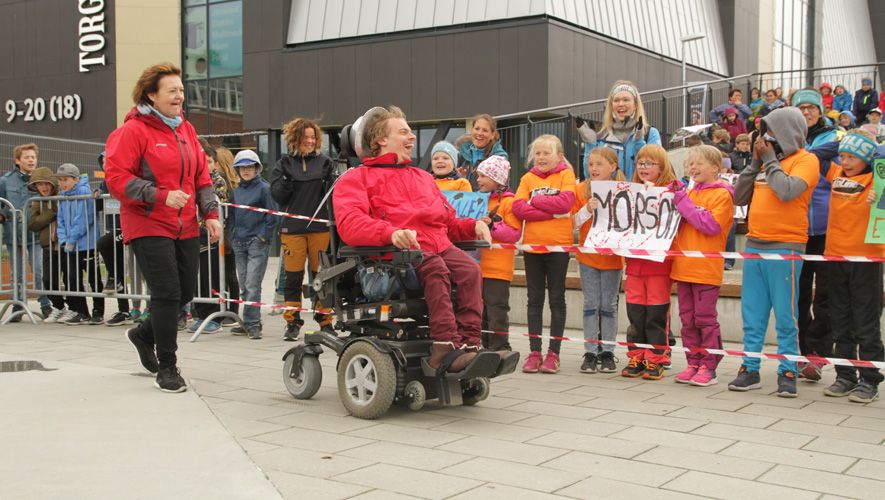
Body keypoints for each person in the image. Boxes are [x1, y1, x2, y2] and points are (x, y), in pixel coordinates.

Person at [333, 105, 494, 373]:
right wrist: (390, 233)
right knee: (435, 267)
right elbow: (351, 224)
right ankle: (444, 348)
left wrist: (473, 226)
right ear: (381, 139)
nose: (412, 137)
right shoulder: (356, 178)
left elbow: (447, 222)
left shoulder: (423, 177)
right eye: (403, 132)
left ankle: (470, 346)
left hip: (437, 246)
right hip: (393, 260)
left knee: (470, 270)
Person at [105, 62, 221, 393]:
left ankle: (143, 334)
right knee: (167, 293)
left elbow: (202, 177)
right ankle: (167, 367)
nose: (179, 95)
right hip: (147, 222)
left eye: (181, 90)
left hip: (185, 224)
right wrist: (160, 195)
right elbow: (117, 178)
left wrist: (211, 213)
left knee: (184, 292)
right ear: (151, 95)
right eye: (172, 90)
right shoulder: (132, 131)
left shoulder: (186, 129)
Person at [729, 107, 819, 398]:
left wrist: (769, 160)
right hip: (755, 244)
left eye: (770, 132)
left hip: (786, 247)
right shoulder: (765, 162)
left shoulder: (807, 160)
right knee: (752, 314)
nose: (765, 138)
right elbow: (739, 197)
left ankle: (787, 370)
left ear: (786, 133)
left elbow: (786, 191)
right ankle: (750, 368)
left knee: (785, 315)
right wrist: (755, 163)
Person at [818, 131, 883, 403]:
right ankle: (845, 375)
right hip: (835, 257)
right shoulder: (836, 173)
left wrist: (874, 151)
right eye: (842, 156)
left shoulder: (877, 178)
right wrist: (842, 141)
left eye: (852, 157)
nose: (844, 161)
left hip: (866, 260)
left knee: (865, 321)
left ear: (867, 158)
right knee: (840, 319)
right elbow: (815, 156)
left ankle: (870, 378)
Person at [670, 145, 734, 387]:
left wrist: (682, 202)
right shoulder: (689, 192)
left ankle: (709, 365)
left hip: (706, 269)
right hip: (683, 267)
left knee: (705, 319)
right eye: (690, 164)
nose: (692, 168)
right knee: (687, 320)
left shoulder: (722, 194)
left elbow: (710, 225)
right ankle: (693, 362)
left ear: (716, 168)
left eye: (699, 163)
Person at [512, 134, 576, 374]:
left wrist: (535, 200)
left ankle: (553, 353)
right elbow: (519, 208)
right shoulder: (527, 178)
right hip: (532, 247)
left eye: (546, 153)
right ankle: (535, 352)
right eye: (537, 153)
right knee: (534, 300)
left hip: (558, 247)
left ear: (559, 156)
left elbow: (566, 204)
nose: (541, 157)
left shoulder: (566, 175)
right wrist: (551, 211)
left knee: (557, 299)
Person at [269, 117, 336, 341]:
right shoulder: (283, 165)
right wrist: (287, 181)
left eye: (313, 137)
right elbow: (278, 196)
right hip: (293, 230)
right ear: (294, 139)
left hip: (320, 228)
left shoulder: (325, 163)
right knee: (293, 278)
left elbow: (333, 195)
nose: (310, 141)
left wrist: (331, 180)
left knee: (321, 276)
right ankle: (292, 322)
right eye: (305, 137)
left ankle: (325, 321)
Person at [791, 89, 838, 382]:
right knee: (797, 293)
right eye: (801, 108)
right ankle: (801, 351)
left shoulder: (834, 138)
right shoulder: (787, 139)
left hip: (826, 227)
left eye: (811, 107)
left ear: (820, 111)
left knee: (825, 294)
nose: (807, 112)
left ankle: (818, 353)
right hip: (795, 228)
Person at [620, 145, 677, 380]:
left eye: (650, 163)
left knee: (656, 314)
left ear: (662, 167)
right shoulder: (629, 191)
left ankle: (656, 358)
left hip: (658, 265)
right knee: (635, 313)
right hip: (635, 264)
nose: (644, 167)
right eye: (641, 163)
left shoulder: (672, 191)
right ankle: (637, 355)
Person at [572, 147, 625, 374]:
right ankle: (591, 351)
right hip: (588, 256)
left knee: (609, 305)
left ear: (612, 167)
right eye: (590, 164)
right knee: (590, 304)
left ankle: (608, 351)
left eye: (599, 164)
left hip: (612, 257)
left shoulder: (623, 190)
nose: (593, 168)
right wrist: (587, 209)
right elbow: (573, 222)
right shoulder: (581, 189)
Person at [0, 143, 53, 320]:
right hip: (14, 234)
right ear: (17, 160)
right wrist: (3, 214)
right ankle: (17, 305)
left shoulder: (41, 180)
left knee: (38, 270)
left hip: (35, 235)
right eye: (27, 157)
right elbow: (1, 204)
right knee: (17, 272)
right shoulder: (5, 181)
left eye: (33, 157)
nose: (31, 160)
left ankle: (45, 305)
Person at [229, 150, 277, 340]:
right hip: (239, 242)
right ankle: (249, 322)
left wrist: (263, 237)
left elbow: (272, 215)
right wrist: (232, 235)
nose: (246, 170)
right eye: (242, 167)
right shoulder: (236, 191)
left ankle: (254, 324)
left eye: (250, 166)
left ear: (257, 168)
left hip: (257, 243)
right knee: (244, 285)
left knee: (252, 284)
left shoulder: (265, 189)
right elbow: (232, 215)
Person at [475, 155, 521, 351]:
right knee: (481, 310)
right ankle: (485, 347)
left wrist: (492, 226)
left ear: (497, 178)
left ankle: (501, 347)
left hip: (498, 268)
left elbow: (514, 234)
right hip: (477, 266)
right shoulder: (478, 200)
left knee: (497, 310)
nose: (478, 180)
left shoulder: (509, 202)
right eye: (478, 175)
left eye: (483, 176)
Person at [187, 140, 232, 334]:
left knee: (212, 276)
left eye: (209, 162)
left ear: (215, 163)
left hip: (212, 235)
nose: (206, 165)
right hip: (194, 234)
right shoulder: (192, 180)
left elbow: (216, 203)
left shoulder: (218, 181)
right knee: (198, 277)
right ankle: (201, 314)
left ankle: (215, 316)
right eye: (202, 162)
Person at [583, 80, 662, 180]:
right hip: (608, 190)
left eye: (626, 100)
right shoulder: (601, 137)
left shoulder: (650, 134)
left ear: (635, 105)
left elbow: (654, 171)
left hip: (640, 189)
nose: (621, 104)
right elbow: (588, 175)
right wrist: (589, 145)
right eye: (616, 100)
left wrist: (638, 142)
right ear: (611, 106)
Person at [55, 164, 104, 325]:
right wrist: (63, 240)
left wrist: (71, 240)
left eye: (66, 179)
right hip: (71, 246)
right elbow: (60, 220)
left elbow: (84, 219)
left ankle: (98, 311)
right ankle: (82, 312)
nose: (63, 183)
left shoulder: (84, 192)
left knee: (93, 279)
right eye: (60, 180)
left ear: (76, 179)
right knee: (73, 279)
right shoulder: (63, 195)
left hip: (87, 245)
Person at [26, 168, 73, 323]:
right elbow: (33, 224)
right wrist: (50, 213)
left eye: (46, 183)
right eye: (39, 184)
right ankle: (58, 307)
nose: (44, 187)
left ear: (52, 184)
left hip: (66, 245)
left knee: (70, 278)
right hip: (48, 246)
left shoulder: (63, 196)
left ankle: (73, 309)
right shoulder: (37, 202)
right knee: (48, 280)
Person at [94, 151, 134, 327]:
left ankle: (114, 279)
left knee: (103, 243)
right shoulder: (104, 183)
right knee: (117, 267)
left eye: (108, 161)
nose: (105, 164)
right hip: (113, 228)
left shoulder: (125, 178)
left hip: (128, 227)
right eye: (102, 162)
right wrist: (97, 195)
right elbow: (99, 207)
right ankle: (124, 310)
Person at [458, 114, 508, 190]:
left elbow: (500, 188)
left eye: (485, 130)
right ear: (472, 130)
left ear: (492, 135)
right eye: (477, 129)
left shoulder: (499, 158)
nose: (479, 133)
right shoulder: (462, 154)